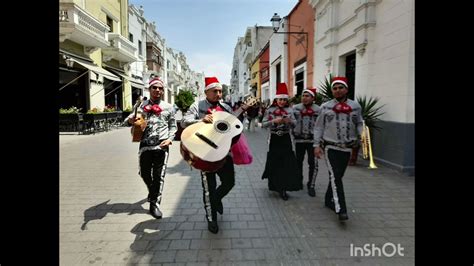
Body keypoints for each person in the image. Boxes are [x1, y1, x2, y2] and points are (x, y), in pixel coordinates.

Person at [181, 76, 246, 234]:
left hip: (224, 153)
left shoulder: (226, 108)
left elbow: (235, 128)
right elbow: (184, 121)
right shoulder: (197, 105)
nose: (219, 94)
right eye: (215, 91)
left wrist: (242, 113)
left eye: (220, 91)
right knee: (208, 189)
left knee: (229, 182)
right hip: (204, 153)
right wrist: (200, 120)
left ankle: (216, 200)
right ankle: (212, 219)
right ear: (206, 92)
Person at [125, 77, 177, 219]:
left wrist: (169, 139)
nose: (158, 90)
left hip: (161, 146)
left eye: (160, 88)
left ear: (163, 90)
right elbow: (128, 120)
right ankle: (152, 191)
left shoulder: (168, 107)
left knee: (159, 176)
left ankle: (154, 204)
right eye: (155, 88)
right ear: (149, 89)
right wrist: (131, 120)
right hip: (145, 145)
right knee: (144, 173)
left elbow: (173, 127)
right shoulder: (141, 105)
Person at [313, 76, 363, 221]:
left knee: (337, 176)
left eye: (340, 88)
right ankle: (341, 208)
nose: (337, 90)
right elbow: (318, 127)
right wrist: (316, 145)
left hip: (347, 148)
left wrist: (363, 136)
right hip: (330, 147)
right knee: (336, 176)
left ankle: (328, 199)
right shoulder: (325, 106)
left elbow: (359, 123)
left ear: (346, 89)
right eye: (335, 88)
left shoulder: (356, 106)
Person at [261, 83, 302, 200]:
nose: (282, 102)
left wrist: (288, 121)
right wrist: (274, 121)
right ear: (276, 99)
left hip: (285, 138)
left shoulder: (290, 109)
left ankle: (283, 188)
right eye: (280, 99)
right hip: (274, 138)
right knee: (274, 162)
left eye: (284, 99)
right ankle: (274, 185)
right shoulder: (270, 110)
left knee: (286, 164)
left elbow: (295, 124)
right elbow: (263, 125)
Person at [292, 88, 321, 197]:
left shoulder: (319, 109)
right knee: (298, 162)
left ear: (313, 98)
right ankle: (298, 181)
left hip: (312, 141)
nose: (304, 98)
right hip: (299, 140)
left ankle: (311, 185)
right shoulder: (295, 108)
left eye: (307, 96)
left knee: (313, 164)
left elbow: (321, 126)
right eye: (303, 95)